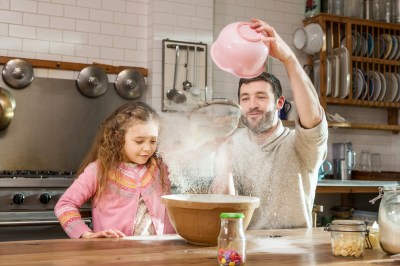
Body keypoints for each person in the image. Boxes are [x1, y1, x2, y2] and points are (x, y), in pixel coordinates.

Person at [210, 18, 328, 230]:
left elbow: (313, 118)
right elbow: (222, 209)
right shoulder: (232, 143)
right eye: (245, 98)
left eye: (261, 97)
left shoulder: (300, 144)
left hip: (296, 251)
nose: (252, 105)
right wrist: (224, 156)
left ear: (279, 103)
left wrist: (289, 59)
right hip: (246, 248)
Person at [55, 102, 175, 239]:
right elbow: (65, 205)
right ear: (119, 138)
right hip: (115, 254)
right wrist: (86, 235)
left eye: (153, 141)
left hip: (160, 254)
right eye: (139, 141)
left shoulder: (161, 167)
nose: (148, 148)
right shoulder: (99, 170)